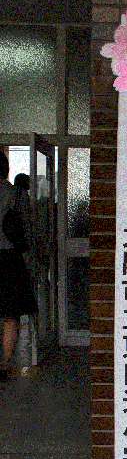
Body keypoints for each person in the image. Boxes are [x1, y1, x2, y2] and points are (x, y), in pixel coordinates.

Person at [0, 152, 37, 381]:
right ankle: (4, 365)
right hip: (10, 259)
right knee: (10, 316)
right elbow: (27, 229)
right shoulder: (17, 195)